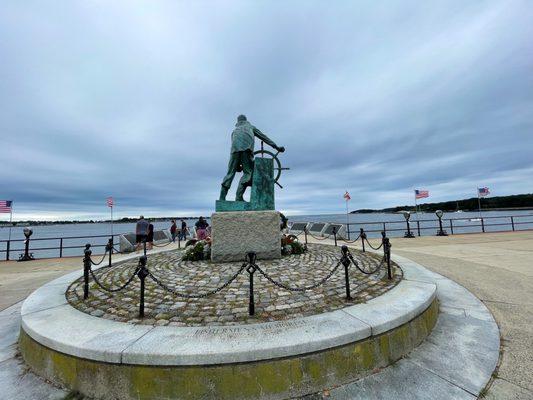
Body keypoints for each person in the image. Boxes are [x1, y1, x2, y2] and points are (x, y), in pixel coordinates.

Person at [219, 114, 285, 201]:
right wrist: (276, 147)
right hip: (246, 150)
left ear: (238, 122)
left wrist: (237, 165)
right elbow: (264, 137)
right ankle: (238, 197)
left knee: (230, 174)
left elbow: (236, 147)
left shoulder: (234, 131)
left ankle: (221, 198)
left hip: (234, 152)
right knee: (247, 173)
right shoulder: (251, 127)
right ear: (246, 120)